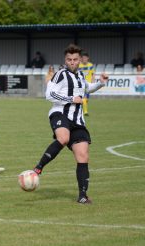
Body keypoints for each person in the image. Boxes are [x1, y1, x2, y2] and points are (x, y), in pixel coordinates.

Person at [32, 44, 108, 204]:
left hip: (78, 121)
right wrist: (70, 99)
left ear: (80, 60)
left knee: (83, 156)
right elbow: (49, 94)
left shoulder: (81, 76)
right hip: (60, 114)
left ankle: (82, 195)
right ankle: (38, 167)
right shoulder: (60, 74)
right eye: (69, 60)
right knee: (64, 138)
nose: (72, 62)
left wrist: (100, 83)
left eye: (75, 59)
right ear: (65, 60)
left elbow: (87, 88)